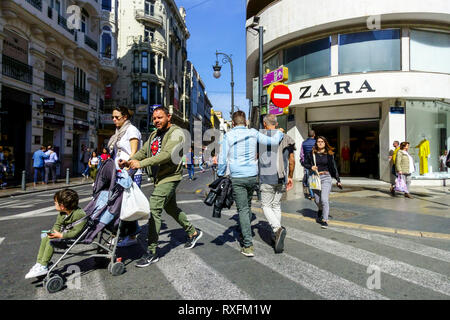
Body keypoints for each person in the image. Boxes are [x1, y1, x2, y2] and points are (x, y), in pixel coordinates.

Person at [121, 107, 203, 267]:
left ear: (168, 117)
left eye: (160, 117)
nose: (156, 121)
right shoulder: (153, 135)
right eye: (154, 118)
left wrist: (141, 164)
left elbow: (166, 155)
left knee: (154, 209)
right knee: (171, 209)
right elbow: (143, 152)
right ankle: (193, 232)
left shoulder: (177, 133)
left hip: (170, 177)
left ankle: (151, 252)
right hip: (158, 178)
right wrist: (129, 160)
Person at [217, 111, 284, 257]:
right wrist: (279, 133)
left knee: (242, 209)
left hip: (238, 177)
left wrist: (221, 173)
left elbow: (222, 158)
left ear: (233, 123)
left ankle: (248, 245)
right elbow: (272, 141)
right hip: (252, 176)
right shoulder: (253, 132)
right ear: (246, 122)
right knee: (247, 206)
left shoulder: (228, 136)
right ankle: (246, 232)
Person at [25, 189, 87, 279]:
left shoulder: (79, 214)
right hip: (65, 233)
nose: (54, 204)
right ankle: (39, 263)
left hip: (76, 236)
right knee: (46, 237)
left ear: (62, 206)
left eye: (55, 203)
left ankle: (43, 265)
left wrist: (61, 235)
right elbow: (57, 225)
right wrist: (53, 232)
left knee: (51, 240)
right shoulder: (62, 213)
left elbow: (76, 232)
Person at [259, 114, 295, 253]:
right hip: (281, 177)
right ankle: (276, 234)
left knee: (266, 205)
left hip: (267, 177)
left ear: (264, 123)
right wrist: (290, 176)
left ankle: (277, 229)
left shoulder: (262, 138)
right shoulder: (286, 138)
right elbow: (292, 160)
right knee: (276, 205)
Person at [107, 106, 143, 247]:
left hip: (130, 172)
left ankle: (130, 235)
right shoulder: (119, 132)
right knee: (121, 204)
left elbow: (134, 153)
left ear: (125, 117)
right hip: (120, 172)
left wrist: (128, 165)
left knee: (128, 205)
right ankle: (123, 233)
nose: (114, 120)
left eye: (117, 117)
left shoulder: (132, 130)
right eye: (113, 117)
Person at [304, 136, 342, 229]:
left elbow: (333, 167)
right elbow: (304, 163)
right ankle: (320, 209)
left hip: (326, 178)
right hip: (315, 178)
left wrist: (338, 180)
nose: (320, 143)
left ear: (325, 143)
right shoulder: (312, 153)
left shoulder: (329, 154)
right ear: (316, 143)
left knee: (324, 199)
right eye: (318, 142)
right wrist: (310, 167)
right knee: (317, 200)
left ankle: (325, 220)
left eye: (322, 142)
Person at [301, 130, 316, 199]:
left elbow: (302, 154)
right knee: (316, 178)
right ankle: (316, 193)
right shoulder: (316, 142)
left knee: (309, 178)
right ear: (314, 135)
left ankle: (311, 194)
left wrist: (303, 162)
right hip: (315, 163)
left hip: (307, 164)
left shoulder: (304, 143)